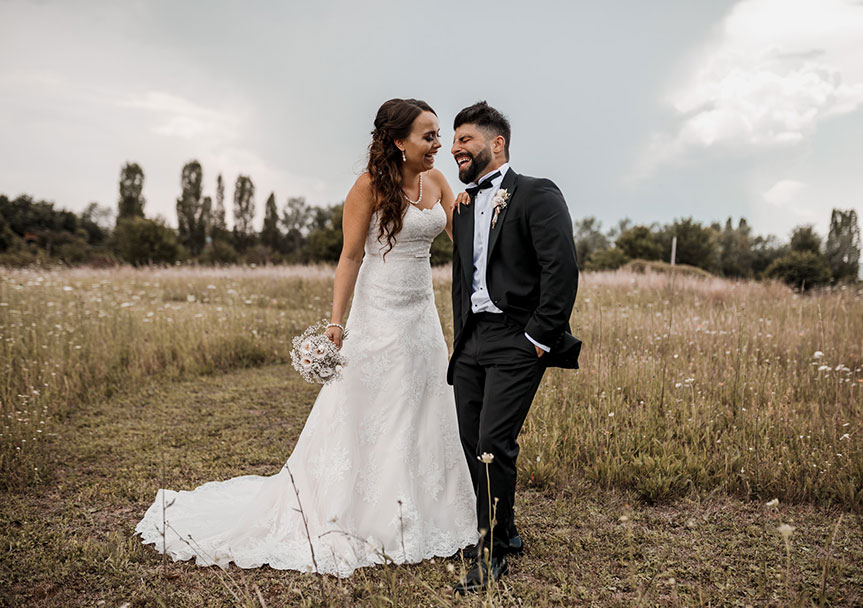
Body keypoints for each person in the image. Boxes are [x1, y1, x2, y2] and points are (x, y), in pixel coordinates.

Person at [136, 98, 479, 577]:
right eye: (428, 136)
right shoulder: (367, 188)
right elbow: (350, 258)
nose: (438, 144)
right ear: (399, 142)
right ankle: (357, 513)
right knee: (372, 409)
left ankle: (424, 511)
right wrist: (337, 325)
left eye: (439, 134)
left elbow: (462, 242)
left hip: (422, 317)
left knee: (422, 405)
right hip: (378, 316)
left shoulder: (438, 182)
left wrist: (476, 214)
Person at [448, 101, 581, 594]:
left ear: (496, 143)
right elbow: (463, 279)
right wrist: (460, 336)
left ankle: (491, 550)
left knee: (492, 444)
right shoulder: (463, 206)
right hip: (472, 340)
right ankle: (504, 530)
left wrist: (538, 340)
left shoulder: (536, 194)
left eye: (465, 139)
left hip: (518, 339)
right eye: (454, 140)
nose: (455, 148)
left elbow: (561, 269)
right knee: (468, 440)